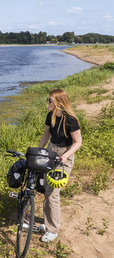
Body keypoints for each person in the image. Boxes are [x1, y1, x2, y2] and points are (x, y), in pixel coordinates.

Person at [38, 88, 82, 243]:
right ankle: (47, 222)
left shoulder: (70, 120)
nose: (48, 103)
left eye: (50, 100)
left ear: (58, 102)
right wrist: (39, 151)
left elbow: (78, 142)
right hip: (51, 150)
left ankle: (53, 230)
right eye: (48, 100)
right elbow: (46, 135)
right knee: (46, 189)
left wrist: (65, 156)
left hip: (65, 155)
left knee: (53, 193)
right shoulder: (50, 116)